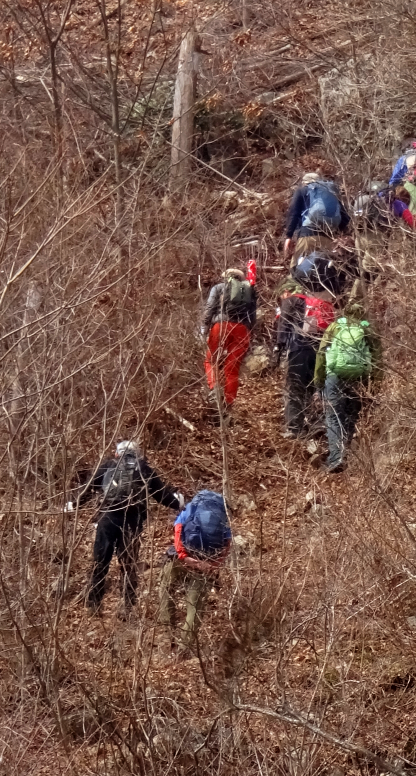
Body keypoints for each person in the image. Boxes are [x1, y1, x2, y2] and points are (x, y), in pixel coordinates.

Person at [66, 440, 184, 618]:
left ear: (117, 453)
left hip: (107, 518)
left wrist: (74, 505)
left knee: (100, 562)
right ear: (137, 454)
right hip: (132, 521)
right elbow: (161, 495)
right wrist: (179, 504)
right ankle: (127, 607)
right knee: (128, 565)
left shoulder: (108, 465)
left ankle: (94, 606)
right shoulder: (144, 470)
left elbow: (89, 488)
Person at [314, 299, 382, 473]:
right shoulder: (367, 328)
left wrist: (318, 379)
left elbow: (322, 354)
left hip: (335, 375)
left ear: (345, 312)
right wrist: (375, 383)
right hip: (359, 377)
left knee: (333, 415)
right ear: (362, 314)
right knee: (351, 415)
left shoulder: (335, 326)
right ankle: (347, 454)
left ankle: (337, 458)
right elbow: (377, 358)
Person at [158, 490, 232, 646]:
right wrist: (213, 565)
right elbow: (227, 544)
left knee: (166, 589)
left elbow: (178, 530)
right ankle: (184, 647)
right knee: (195, 607)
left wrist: (184, 557)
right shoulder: (221, 516)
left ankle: (167, 635)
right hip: (205, 563)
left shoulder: (191, 508)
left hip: (180, 558)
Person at [274, 275, 335, 440]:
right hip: (318, 351)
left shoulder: (291, 301)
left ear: (287, 291)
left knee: (295, 387)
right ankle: (314, 423)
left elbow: (284, 324)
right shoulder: (314, 303)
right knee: (311, 387)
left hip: (298, 348)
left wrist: (279, 346)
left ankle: (295, 428)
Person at [202, 267, 257, 408]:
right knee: (232, 368)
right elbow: (253, 317)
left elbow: (209, 308)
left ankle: (215, 390)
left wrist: (204, 328)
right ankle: (229, 403)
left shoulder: (219, 288)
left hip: (221, 326)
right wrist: (248, 331)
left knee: (211, 360)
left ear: (226, 277)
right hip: (242, 330)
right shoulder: (249, 291)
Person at [283, 172, 350, 265]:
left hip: (308, 235)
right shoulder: (331, 193)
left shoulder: (303, 190)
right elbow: (345, 217)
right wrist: (336, 232)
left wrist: (289, 236)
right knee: (321, 271)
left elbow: (294, 213)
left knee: (297, 270)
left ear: (305, 182)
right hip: (327, 237)